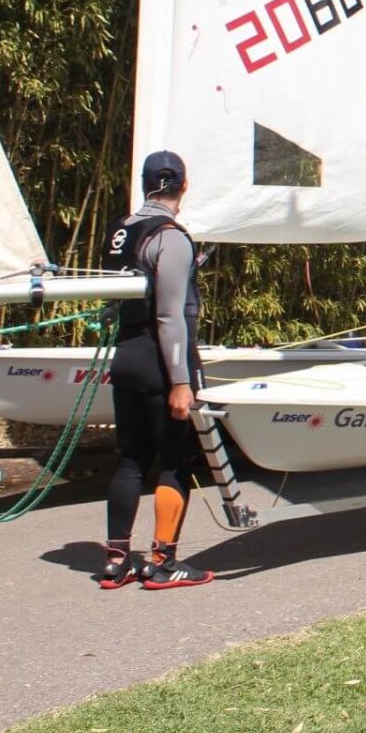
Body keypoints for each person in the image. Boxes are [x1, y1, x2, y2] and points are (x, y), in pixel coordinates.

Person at [97, 151, 213, 590]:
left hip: (124, 356)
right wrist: (181, 381)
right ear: (184, 185)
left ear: (145, 182)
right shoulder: (172, 237)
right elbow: (169, 316)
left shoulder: (120, 231)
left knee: (130, 460)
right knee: (176, 461)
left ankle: (116, 560)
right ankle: (163, 562)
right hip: (159, 361)